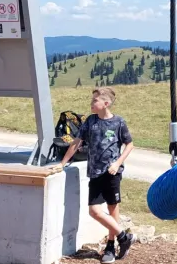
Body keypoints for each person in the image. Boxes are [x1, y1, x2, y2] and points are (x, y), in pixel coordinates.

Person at [53, 87, 135, 263]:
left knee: (113, 209)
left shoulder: (119, 122)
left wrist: (117, 163)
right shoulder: (90, 121)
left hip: (112, 174)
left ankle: (111, 247)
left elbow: (129, 145)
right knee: (94, 211)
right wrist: (62, 164)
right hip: (95, 174)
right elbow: (76, 143)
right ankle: (124, 237)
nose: (91, 103)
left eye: (94, 101)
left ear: (106, 103)